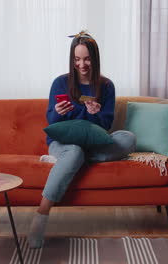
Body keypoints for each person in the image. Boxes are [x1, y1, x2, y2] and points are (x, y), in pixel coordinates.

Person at [27, 31, 137, 248]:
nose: (82, 64)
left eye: (86, 58)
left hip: (93, 142)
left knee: (128, 138)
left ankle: (68, 163)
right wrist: (57, 111)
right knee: (74, 151)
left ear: (94, 58)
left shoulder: (106, 86)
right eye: (77, 59)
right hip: (64, 143)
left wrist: (96, 113)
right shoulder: (60, 83)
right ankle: (40, 217)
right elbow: (51, 123)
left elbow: (105, 125)